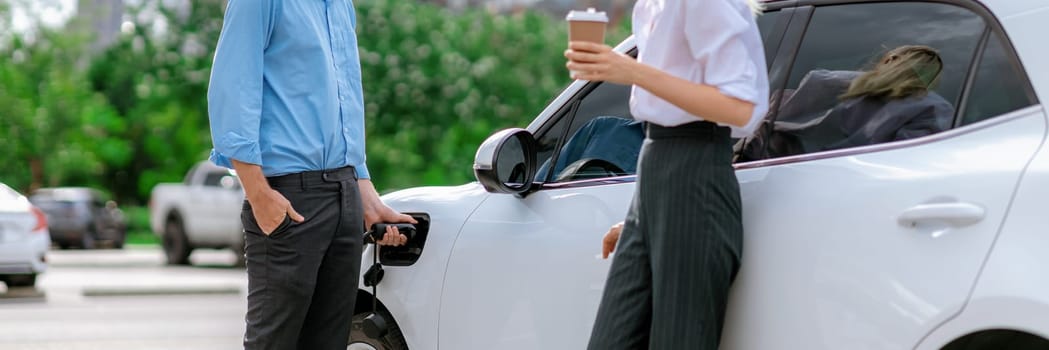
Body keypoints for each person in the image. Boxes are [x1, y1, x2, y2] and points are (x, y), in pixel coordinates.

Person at [206, 1, 415, 349]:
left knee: (330, 342)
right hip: (289, 198)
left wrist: (365, 195)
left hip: (345, 193)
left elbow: (346, 102)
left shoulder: (340, 5)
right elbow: (232, 89)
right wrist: (259, 194)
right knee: (272, 343)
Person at [564, 0, 768, 348]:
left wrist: (630, 71)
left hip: (695, 173)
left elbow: (741, 107)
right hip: (658, 177)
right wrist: (648, 212)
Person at [742, 45, 952, 159]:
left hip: (775, 180)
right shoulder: (931, 109)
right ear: (931, 81)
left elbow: (764, 129)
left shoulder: (820, 84)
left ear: (889, 60)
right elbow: (911, 160)